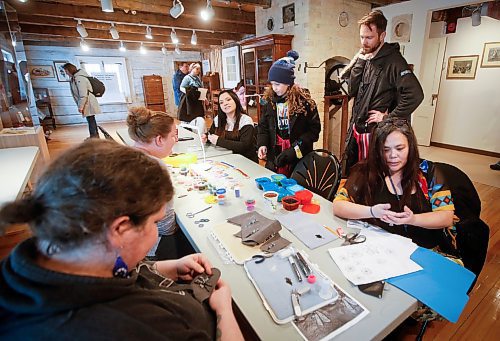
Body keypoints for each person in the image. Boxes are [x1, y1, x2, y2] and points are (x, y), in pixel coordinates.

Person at [0, 139, 243, 340]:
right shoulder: (135, 327)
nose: (157, 230)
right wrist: (224, 310)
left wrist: (162, 268)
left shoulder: (41, 258)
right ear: (120, 229)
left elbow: (111, 269)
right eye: (155, 222)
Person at [333, 118, 457, 251]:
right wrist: (372, 212)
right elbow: (338, 206)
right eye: (385, 150)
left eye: (399, 148)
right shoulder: (367, 170)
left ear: (411, 146)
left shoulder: (427, 172)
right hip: (382, 248)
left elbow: (446, 217)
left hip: (424, 249)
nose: (393, 155)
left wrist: (413, 219)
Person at [340, 10, 424, 175]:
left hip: (376, 133)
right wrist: (360, 62)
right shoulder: (366, 57)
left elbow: (415, 94)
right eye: (362, 37)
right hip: (358, 128)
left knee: (372, 176)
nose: (364, 42)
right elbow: (352, 90)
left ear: (382, 35)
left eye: (369, 38)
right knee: (354, 173)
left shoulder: (394, 60)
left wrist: (388, 117)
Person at [127, 106, 194, 260]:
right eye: (173, 136)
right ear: (159, 139)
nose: (175, 140)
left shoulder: (128, 154)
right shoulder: (155, 166)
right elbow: (166, 224)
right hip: (151, 247)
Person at [257, 50, 321, 176]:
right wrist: (262, 144)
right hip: (274, 155)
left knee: (295, 189)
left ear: (288, 83)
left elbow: (314, 131)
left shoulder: (305, 103)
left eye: (278, 84)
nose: (274, 88)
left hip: (298, 157)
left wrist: (294, 150)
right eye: (272, 84)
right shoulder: (269, 101)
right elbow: (263, 126)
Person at [202, 89, 257, 162]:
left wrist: (218, 141)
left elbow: (244, 146)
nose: (225, 103)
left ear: (235, 100)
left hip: (245, 161)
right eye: (221, 102)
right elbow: (212, 135)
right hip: (225, 159)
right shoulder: (218, 119)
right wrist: (206, 137)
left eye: (228, 100)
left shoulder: (245, 120)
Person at [63, 63, 102, 139]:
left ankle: (94, 137)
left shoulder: (79, 78)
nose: (66, 72)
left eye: (66, 70)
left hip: (88, 102)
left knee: (91, 120)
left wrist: (80, 106)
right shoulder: (76, 78)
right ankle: (94, 136)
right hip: (87, 102)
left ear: (69, 70)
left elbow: (83, 94)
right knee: (91, 119)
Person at [178, 63, 206, 134]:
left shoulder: (197, 78)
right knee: (189, 116)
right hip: (189, 100)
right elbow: (181, 87)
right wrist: (188, 93)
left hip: (197, 99)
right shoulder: (187, 78)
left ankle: (199, 131)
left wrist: (204, 97)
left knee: (199, 115)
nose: (198, 70)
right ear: (192, 68)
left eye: (199, 69)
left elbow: (201, 89)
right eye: (196, 68)